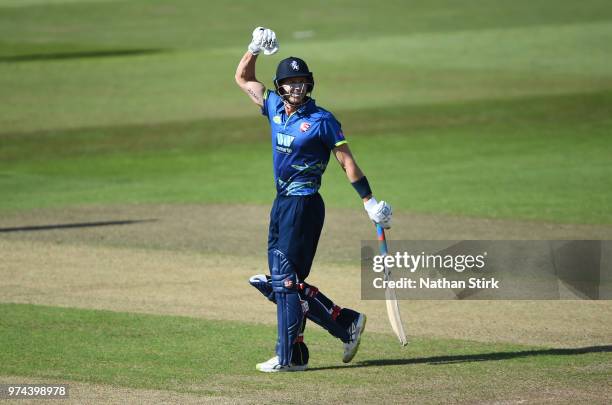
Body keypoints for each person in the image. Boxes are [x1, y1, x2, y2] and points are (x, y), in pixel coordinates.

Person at [235, 27, 392, 372]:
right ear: (281, 86)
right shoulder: (274, 106)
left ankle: (290, 356)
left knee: (286, 282)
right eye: (290, 82)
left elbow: (347, 161)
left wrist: (369, 202)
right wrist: (254, 48)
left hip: (304, 204)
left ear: (309, 85)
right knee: (285, 282)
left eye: (302, 81)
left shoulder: (322, 121)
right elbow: (243, 78)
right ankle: (333, 331)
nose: (296, 87)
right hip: (281, 203)